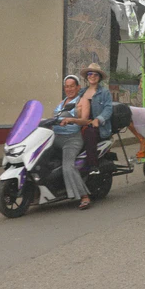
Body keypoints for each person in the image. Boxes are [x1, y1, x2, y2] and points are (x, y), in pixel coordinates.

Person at [50, 75, 92, 210]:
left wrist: (72, 120)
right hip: (56, 137)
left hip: (72, 138)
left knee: (68, 166)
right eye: (67, 86)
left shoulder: (83, 101)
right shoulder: (62, 102)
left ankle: (84, 195)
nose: (69, 89)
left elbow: (86, 120)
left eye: (72, 86)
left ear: (78, 87)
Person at [77, 63, 113, 173]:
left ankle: (92, 166)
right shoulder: (82, 92)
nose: (92, 76)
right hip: (82, 122)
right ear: (87, 76)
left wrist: (98, 119)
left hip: (98, 127)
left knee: (89, 133)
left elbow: (108, 109)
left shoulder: (104, 92)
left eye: (95, 74)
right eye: (90, 73)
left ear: (99, 77)